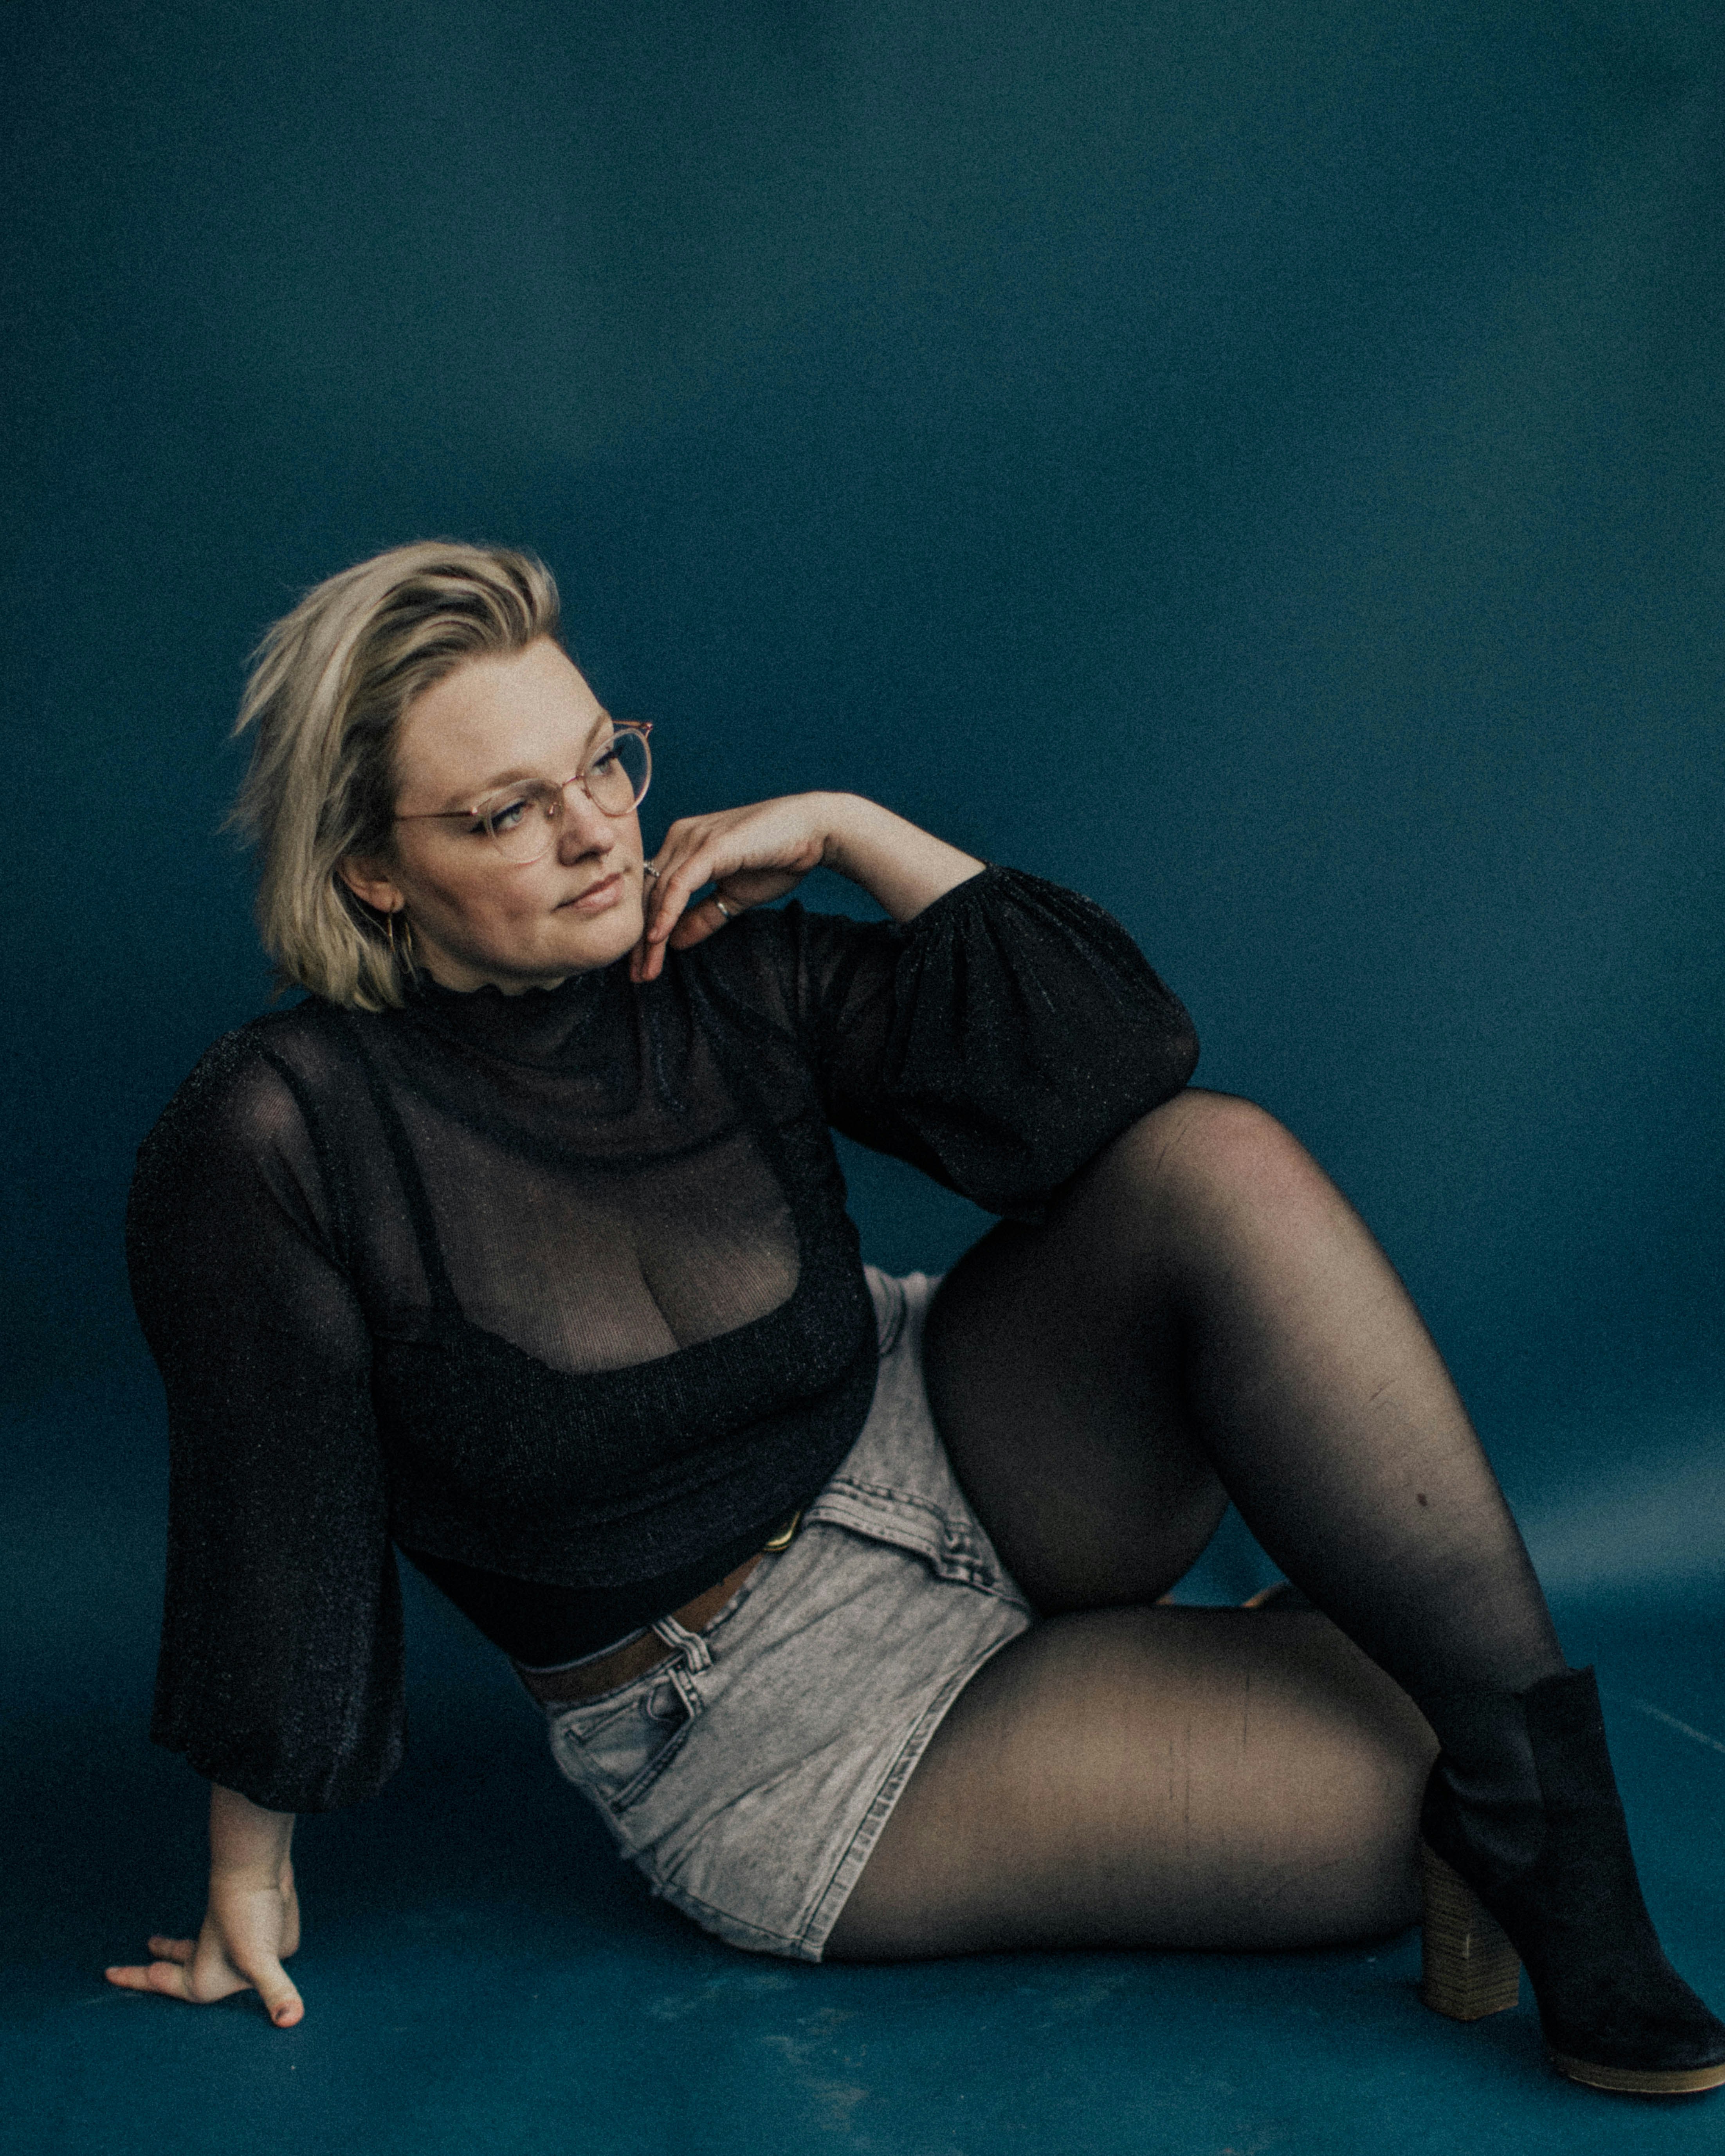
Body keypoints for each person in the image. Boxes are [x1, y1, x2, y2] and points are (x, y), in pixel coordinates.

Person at [107, 541, 1724, 2098]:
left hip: (948, 1444)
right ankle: (1358, 1701)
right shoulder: (281, 1134)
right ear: (371, 870)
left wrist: (856, 831)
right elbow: (278, 1515)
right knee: (1400, 1787)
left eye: (603, 762)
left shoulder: (709, 962)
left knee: (1210, 1163)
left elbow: (1116, 1067)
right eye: (507, 811)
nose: (598, 831)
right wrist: (249, 1869)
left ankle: (1564, 1843)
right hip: (759, 1723)